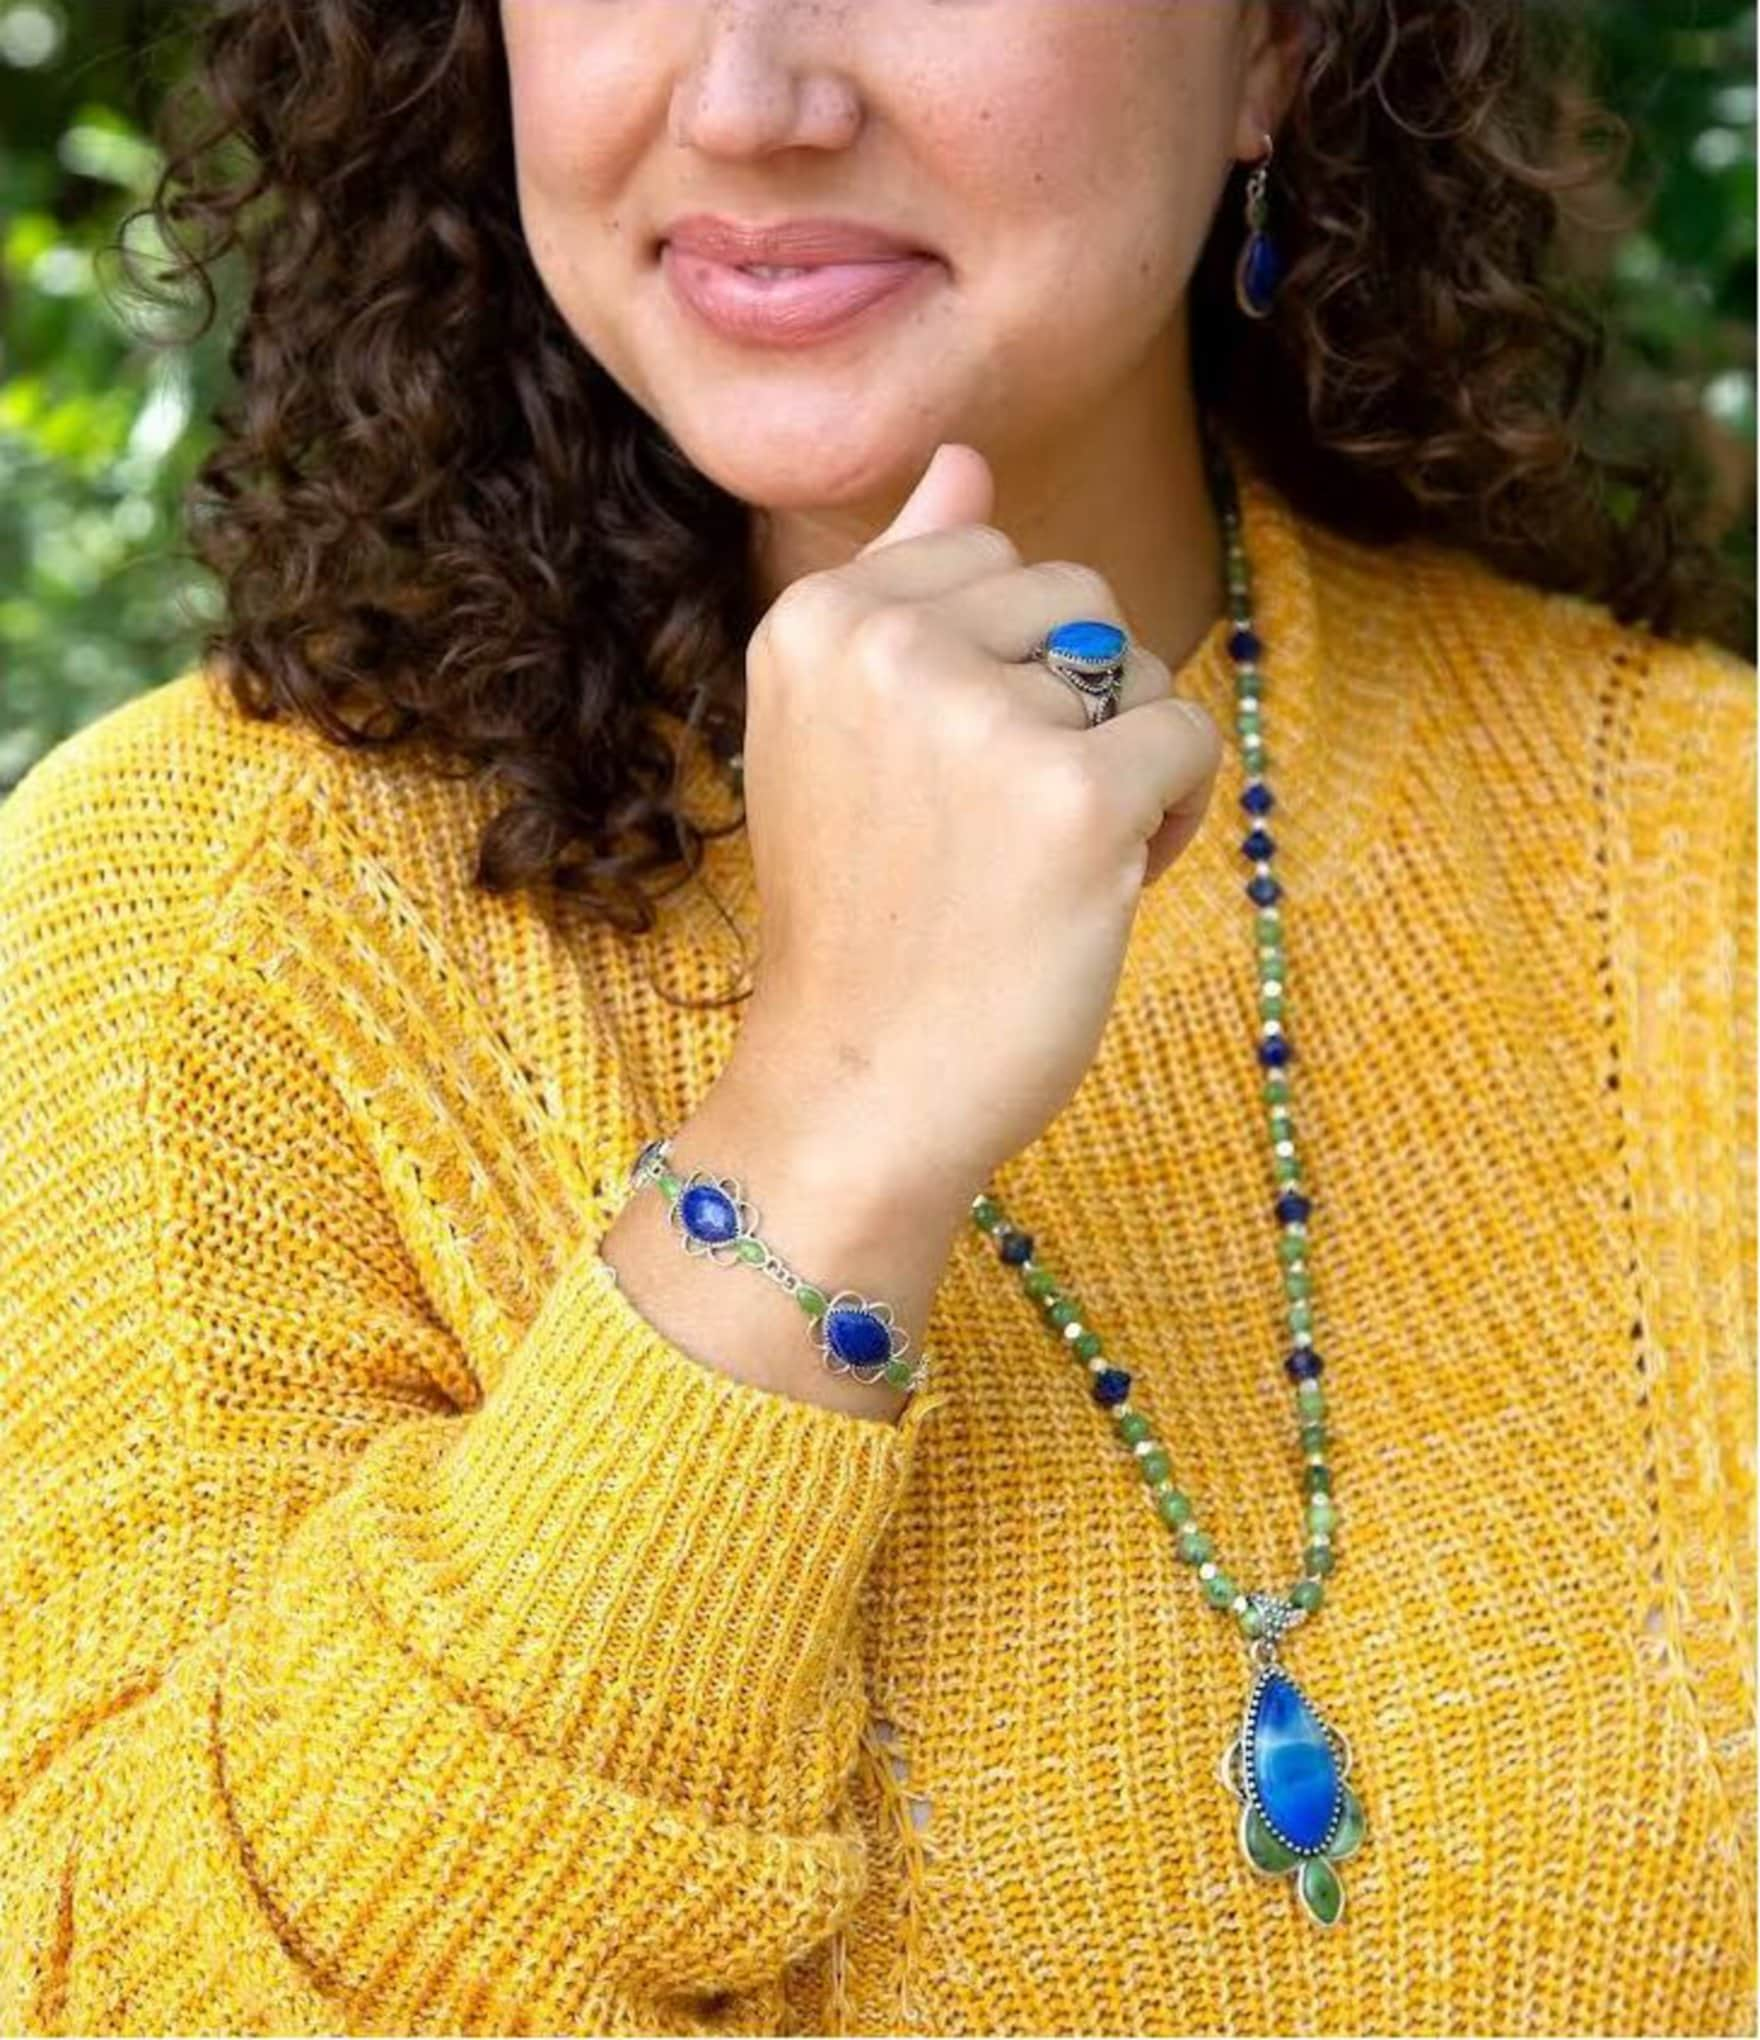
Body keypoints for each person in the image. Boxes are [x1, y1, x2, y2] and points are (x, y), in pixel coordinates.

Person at [0, 1, 1752, 2032]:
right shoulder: (206, 924)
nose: (750, 99)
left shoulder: (1698, 857)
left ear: (1274, 46)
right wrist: (821, 1139)